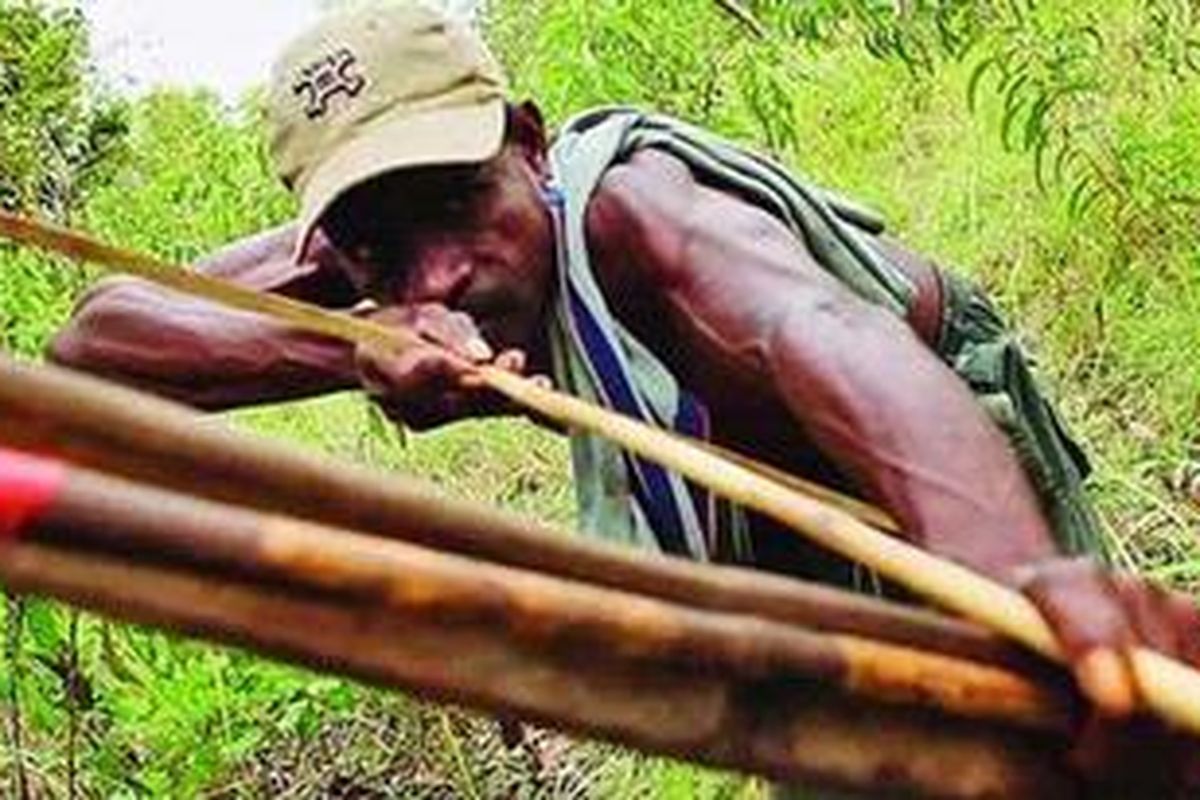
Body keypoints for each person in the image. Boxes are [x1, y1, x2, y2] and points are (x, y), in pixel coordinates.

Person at [48, 1, 1200, 792]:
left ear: (529, 143)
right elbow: (95, 347)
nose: (438, 271)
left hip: (937, 472)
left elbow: (829, 338)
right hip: (771, 538)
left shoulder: (637, 212)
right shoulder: (382, 262)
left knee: (1077, 727)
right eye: (376, 248)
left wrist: (1027, 587)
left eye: (454, 204)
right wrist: (354, 340)